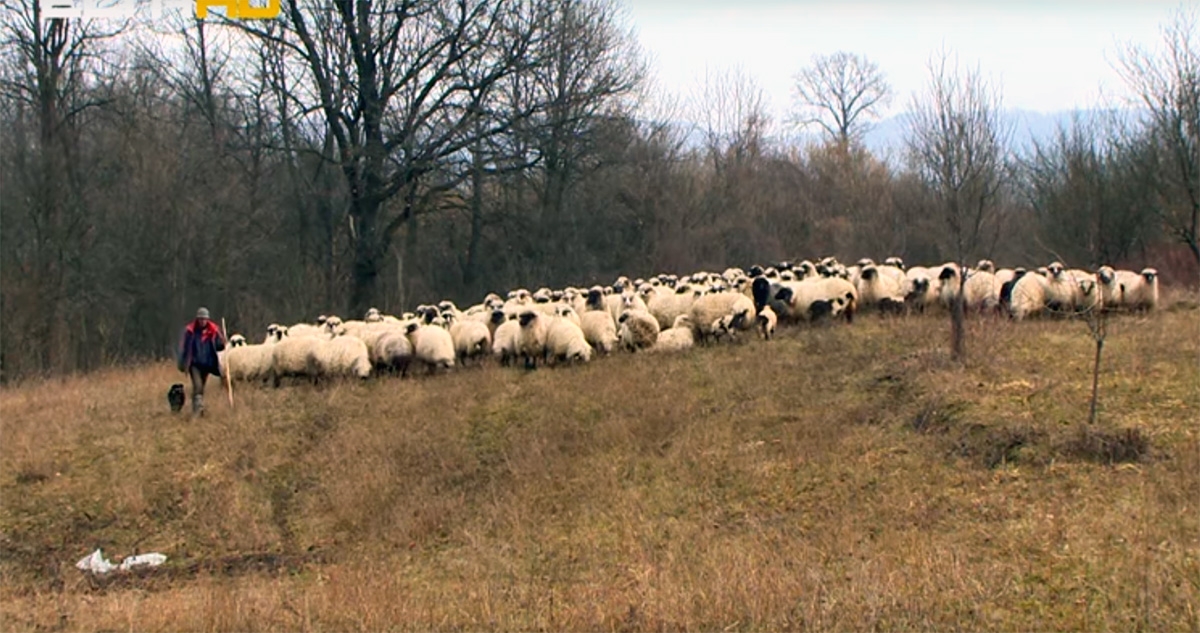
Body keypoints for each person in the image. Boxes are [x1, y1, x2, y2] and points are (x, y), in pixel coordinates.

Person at [176, 307, 226, 415]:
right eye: (200, 319)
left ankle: (198, 408)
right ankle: (197, 412)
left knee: (201, 387)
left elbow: (220, 347)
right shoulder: (190, 331)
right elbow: (183, 347)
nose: (202, 321)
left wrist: (222, 342)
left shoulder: (213, 330)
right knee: (198, 385)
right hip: (194, 364)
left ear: (207, 320)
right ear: (197, 319)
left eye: (204, 319)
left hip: (207, 364)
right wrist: (182, 362)